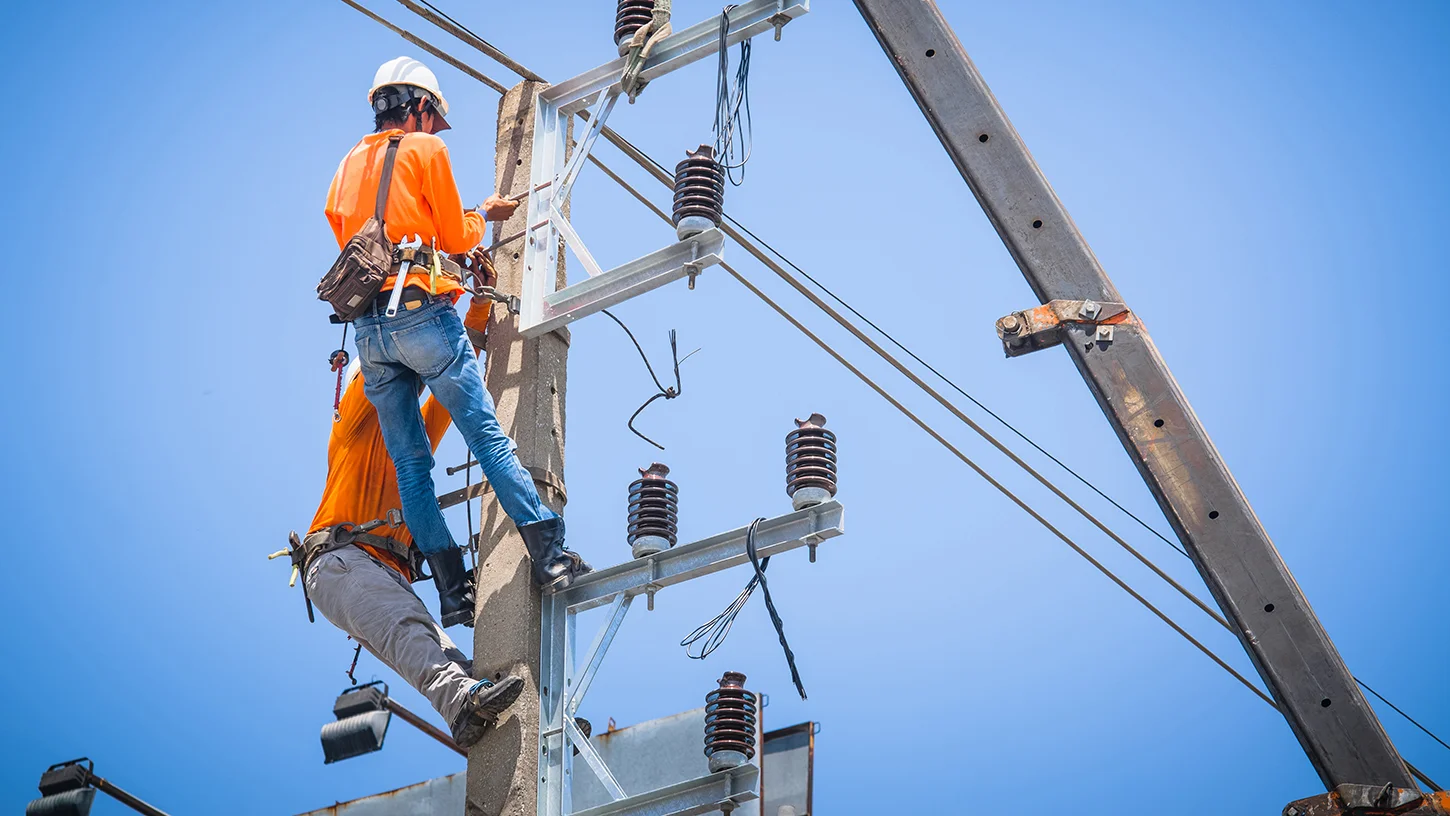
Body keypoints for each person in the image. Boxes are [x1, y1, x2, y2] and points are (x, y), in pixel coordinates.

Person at [324, 57, 589, 626]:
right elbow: (453, 233)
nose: (436, 127)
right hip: (420, 313)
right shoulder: (428, 153)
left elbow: (345, 227)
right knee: (489, 440)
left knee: (411, 468)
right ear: (419, 106)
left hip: (368, 330)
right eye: (434, 116)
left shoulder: (347, 163)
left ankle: (452, 592)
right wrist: (480, 218)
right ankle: (550, 556)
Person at [302, 285, 520, 749]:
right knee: (409, 632)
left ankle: (492, 713)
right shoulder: (355, 422)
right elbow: (405, 348)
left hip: (378, 569)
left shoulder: (410, 446)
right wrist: (446, 295)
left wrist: (477, 309)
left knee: (437, 649)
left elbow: (446, 374)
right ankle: (462, 702)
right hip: (343, 560)